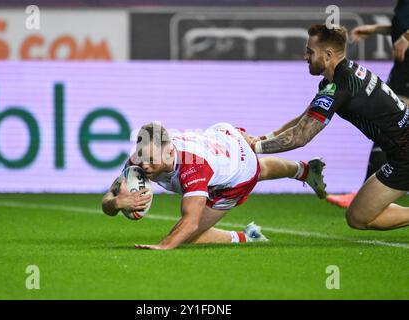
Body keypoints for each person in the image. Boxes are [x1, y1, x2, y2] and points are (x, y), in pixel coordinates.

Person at [242, 23, 409, 231]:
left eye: (310, 52)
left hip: (405, 156)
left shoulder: (340, 85)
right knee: (358, 215)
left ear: (328, 55)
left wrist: (253, 149)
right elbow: (303, 119)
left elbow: (300, 137)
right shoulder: (342, 76)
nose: (305, 57)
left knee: (358, 218)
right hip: (400, 154)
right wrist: (263, 138)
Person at [102, 122, 327, 250]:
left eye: (151, 160)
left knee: (186, 235)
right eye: (142, 158)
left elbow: (190, 223)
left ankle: (247, 237)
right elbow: (107, 201)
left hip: (237, 172)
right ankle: (304, 170)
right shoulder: (139, 159)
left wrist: (164, 246)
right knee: (263, 168)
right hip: (222, 137)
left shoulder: (193, 168)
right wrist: (116, 202)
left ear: (170, 152)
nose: (145, 166)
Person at [327, 0, 409, 208]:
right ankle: (367, 191)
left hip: (406, 72)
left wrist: (406, 38)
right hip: (402, 71)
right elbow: (401, 26)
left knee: (392, 126)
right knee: (394, 128)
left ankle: (365, 192)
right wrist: (376, 29)